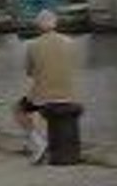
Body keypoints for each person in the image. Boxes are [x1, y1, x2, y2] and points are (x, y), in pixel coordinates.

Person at [12, 9, 79, 164]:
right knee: (35, 102)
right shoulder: (69, 42)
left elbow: (29, 72)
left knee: (18, 109)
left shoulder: (33, 45)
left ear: (38, 26)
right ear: (56, 24)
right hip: (68, 93)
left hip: (43, 97)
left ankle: (38, 142)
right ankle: (38, 142)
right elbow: (73, 65)